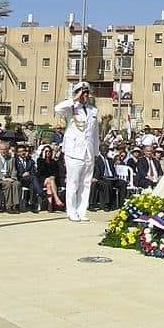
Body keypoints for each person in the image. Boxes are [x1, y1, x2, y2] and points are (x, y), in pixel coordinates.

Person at [55, 81, 99, 223]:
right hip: (74, 151)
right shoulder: (71, 108)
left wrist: (96, 151)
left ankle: (82, 210)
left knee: (86, 183)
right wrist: (73, 99)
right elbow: (57, 109)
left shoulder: (93, 110)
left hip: (88, 151)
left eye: (86, 93)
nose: (85, 96)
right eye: (82, 93)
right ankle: (71, 211)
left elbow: (95, 133)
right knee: (73, 183)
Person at [90, 144, 127, 211]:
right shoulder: (97, 160)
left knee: (123, 183)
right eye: (103, 150)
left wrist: (115, 176)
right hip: (102, 178)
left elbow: (113, 170)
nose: (105, 151)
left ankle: (122, 203)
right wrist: (95, 178)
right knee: (107, 183)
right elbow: (97, 171)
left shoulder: (110, 160)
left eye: (106, 150)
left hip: (112, 178)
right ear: (100, 150)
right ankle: (107, 204)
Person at [0, 141, 21, 214]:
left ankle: (15, 205)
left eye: (5, 149)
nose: (4, 151)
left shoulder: (11, 159)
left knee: (17, 184)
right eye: (2, 149)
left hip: (9, 177)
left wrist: (13, 178)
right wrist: (3, 178)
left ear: (8, 150)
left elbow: (14, 170)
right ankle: (8, 206)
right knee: (7, 184)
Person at [15, 144, 43, 213]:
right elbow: (14, 172)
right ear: (18, 153)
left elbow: (34, 172)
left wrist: (29, 174)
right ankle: (41, 193)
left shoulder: (30, 161)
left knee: (32, 184)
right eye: (20, 151)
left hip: (30, 179)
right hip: (20, 179)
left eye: (24, 151)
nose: (23, 153)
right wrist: (22, 174)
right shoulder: (15, 161)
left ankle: (33, 205)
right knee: (33, 180)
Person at [37, 145, 64, 212]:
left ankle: (50, 206)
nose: (48, 153)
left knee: (49, 184)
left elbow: (55, 172)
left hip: (51, 181)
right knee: (50, 180)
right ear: (43, 152)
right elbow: (40, 171)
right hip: (42, 180)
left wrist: (53, 176)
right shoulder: (40, 160)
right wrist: (43, 159)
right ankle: (56, 199)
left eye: (49, 151)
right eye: (46, 151)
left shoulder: (53, 162)